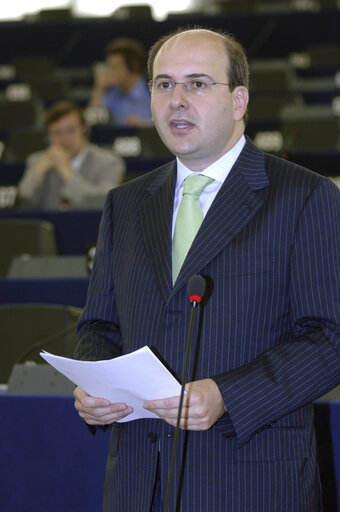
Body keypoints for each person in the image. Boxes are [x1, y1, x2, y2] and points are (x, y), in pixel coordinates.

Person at [73, 27, 340, 511]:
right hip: (139, 485)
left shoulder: (305, 196)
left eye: (197, 84)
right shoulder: (126, 204)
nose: (177, 100)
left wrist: (227, 395)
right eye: (163, 84)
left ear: (239, 101)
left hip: (249, 482)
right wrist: (94, 386)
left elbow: (330, 337)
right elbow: (99, 324)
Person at [18, 101, 125, 209]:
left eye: (71, 131)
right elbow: (22, 203)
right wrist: (37, 174)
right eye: (57, 133)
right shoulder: (37, 161)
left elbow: (103, 202)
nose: (64, 139)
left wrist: (66, 170)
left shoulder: (109, 162)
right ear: (49, 136)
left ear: (84, 129)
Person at [89, 37, 152, 127]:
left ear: (134, 66)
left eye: (115, 66)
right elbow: (93, 122)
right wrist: (99, 88)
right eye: (109, 66)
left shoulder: (151, 90)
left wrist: (145, 126)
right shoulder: (112, 93)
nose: (110, 71)